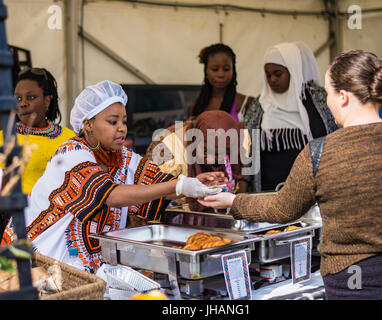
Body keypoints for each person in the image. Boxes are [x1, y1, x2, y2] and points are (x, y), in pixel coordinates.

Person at [199, 50, 382, 300]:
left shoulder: (320, 152)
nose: (328, 101)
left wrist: (233, 202)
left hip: (350, 284)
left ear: (343, 97)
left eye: (329, 92)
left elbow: (282, 210)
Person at [1, 80, 225, 273]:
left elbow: (160, 186)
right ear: (88, 124)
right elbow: (111, 195)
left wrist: (197, 183)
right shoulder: (72, 153)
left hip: (82, 265)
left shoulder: (123, 158)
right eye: (112, 121)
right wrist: (179, 186)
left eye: (124, 121)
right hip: (34, 259)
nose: (121, 128)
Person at [243, 41, 338, 192]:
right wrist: (245, 181)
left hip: (311, 192)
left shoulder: (319, 99)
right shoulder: (260, 104)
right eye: (268, 75)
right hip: (267, 193)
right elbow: (246, 147)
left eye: (278, 74)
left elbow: (336, 136)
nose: (272, 79)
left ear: (293, 71)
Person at [0, 67, 74, 238]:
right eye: (18, 98)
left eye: (31, 97)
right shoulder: (4, 139)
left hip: (58, 225)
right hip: (15, 224)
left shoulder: (68, 138)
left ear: (47, 101)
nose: (23, 103)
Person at [146, 110, 249, 212]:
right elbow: (153, 195)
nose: (211, 159)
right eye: (205, 150)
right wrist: (186, 187)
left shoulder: (235, 148)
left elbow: (242, 182)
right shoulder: (170, 152)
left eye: (219, 154)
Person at [188, 43, 254, 123]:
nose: (221, 74)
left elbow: (255, 134)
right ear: (206, 71)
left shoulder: (247, 103)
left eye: (226, 69)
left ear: (233, 70)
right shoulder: (196, 107)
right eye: (215, 69)